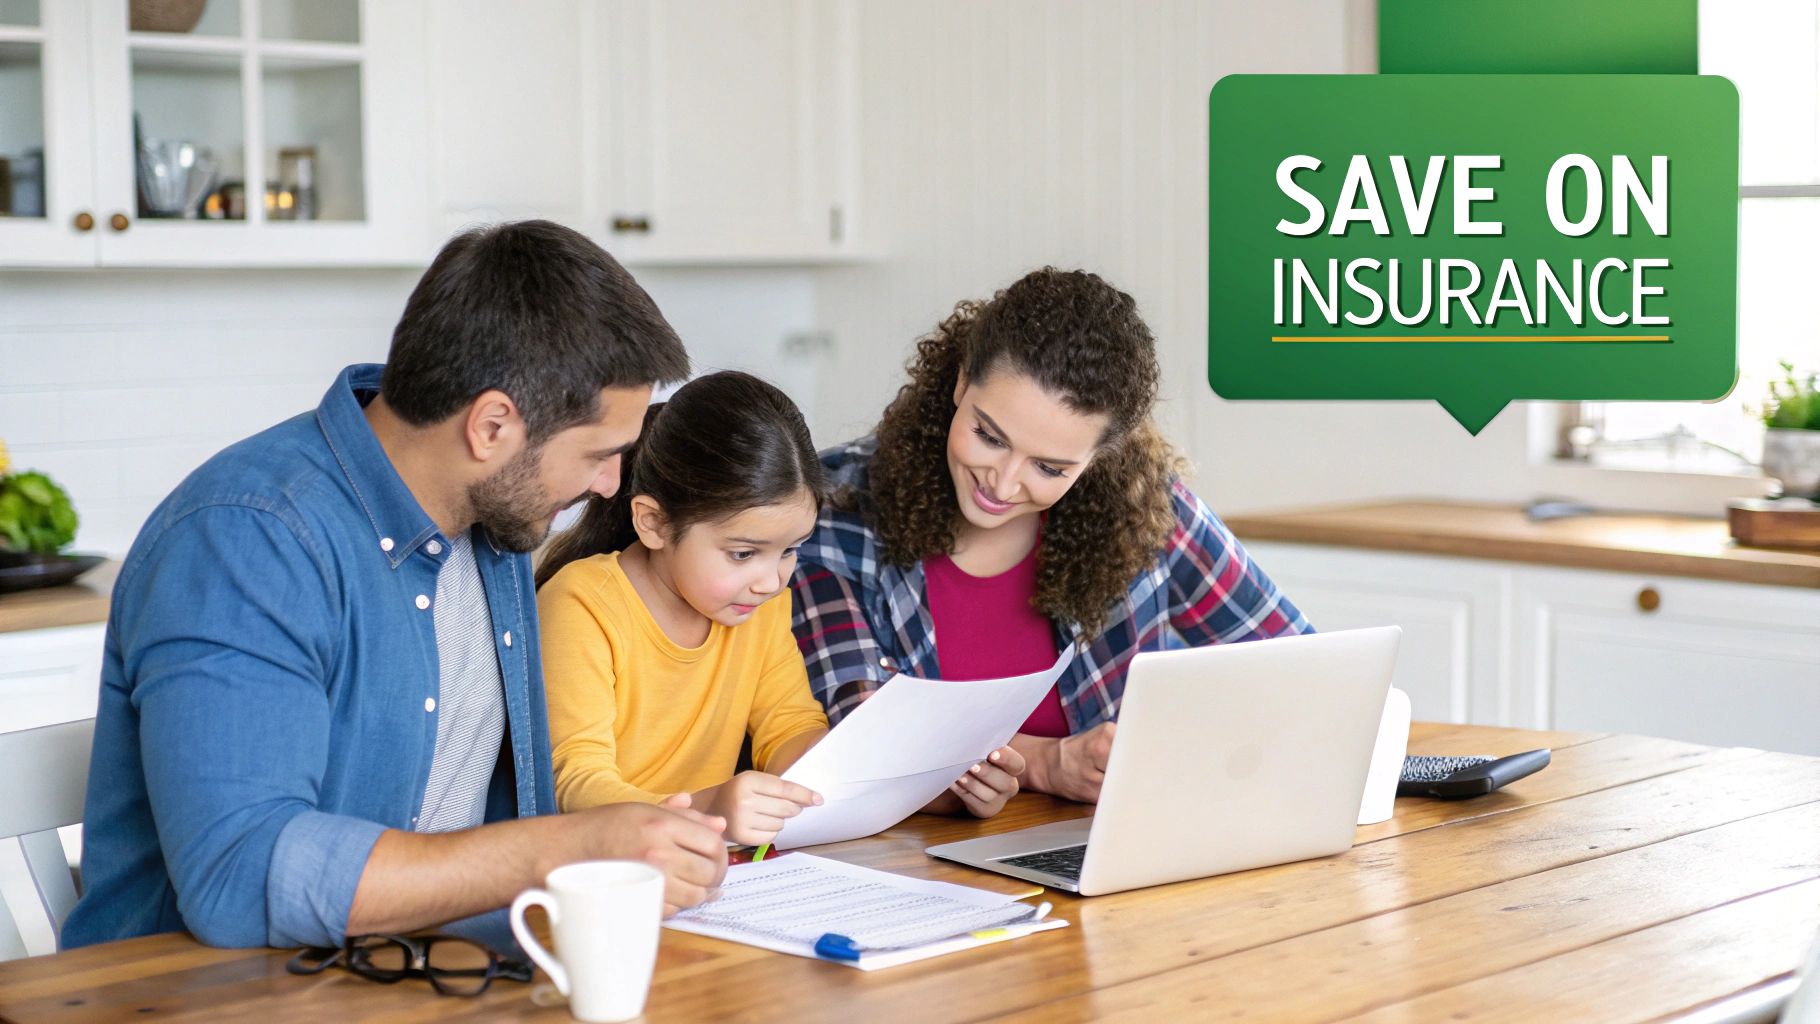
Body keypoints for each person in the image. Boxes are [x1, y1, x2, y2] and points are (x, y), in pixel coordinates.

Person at [62, 220, 729, 952]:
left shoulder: (492, 518)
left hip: (425, 974)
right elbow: (238, 877)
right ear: (492, 425)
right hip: (212, 997)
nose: (607, 485)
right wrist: (563, 847)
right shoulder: (247, 537)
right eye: (601, 454)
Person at [791, 267, 1313, 807]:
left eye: (1050, 468)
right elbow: (856, 741)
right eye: (989, 436)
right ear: (961, 379)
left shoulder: (1145, 506)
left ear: (1098, 458)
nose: (1004, 482)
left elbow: (1301, 672)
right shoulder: (832, 512)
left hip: (1111, 853)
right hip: (908, 866)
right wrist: (1043, 763)